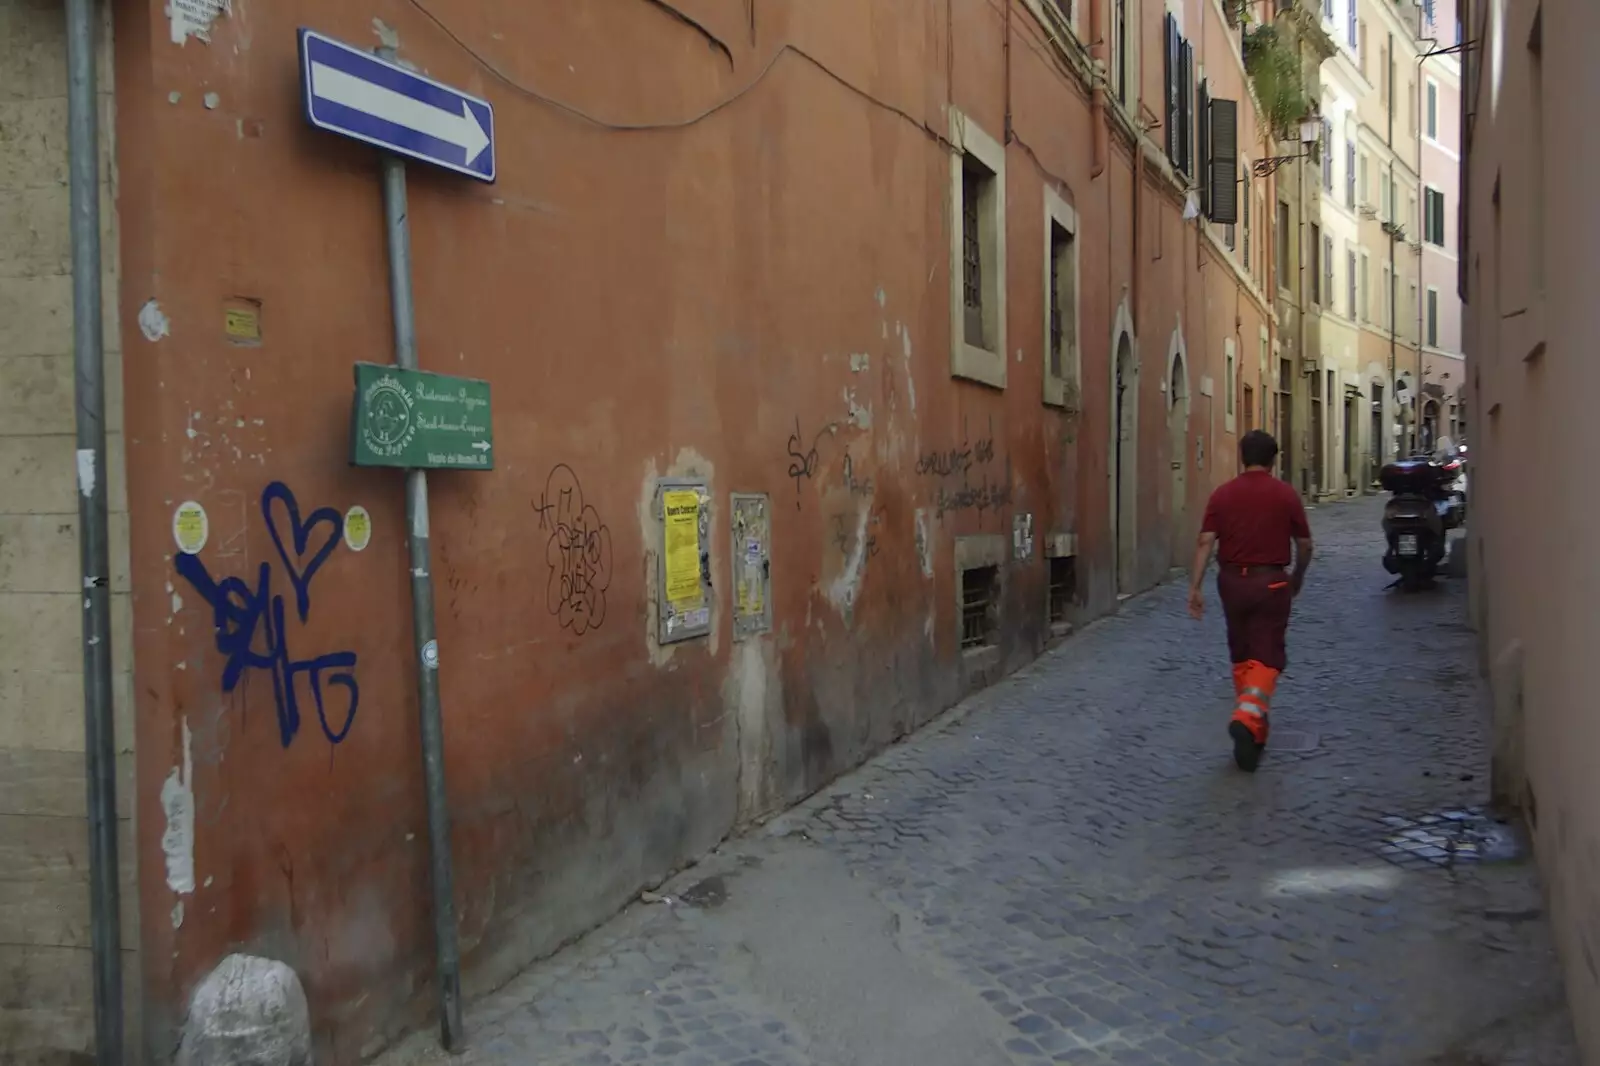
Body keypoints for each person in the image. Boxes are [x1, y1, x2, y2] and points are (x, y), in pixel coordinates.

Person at [1187, 429, 1314, 772]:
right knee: (1268, 654)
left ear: (1242, 457)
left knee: (1242, 650)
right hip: (1270, 582)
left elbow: (1204, 541)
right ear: (1273, 460)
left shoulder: (1222, 495)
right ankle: (1248, 714)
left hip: (1231, 582)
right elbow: (1304, 544)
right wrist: (1298, 576)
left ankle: (1254, 734)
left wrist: (1195, 586)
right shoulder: (1285, 495)